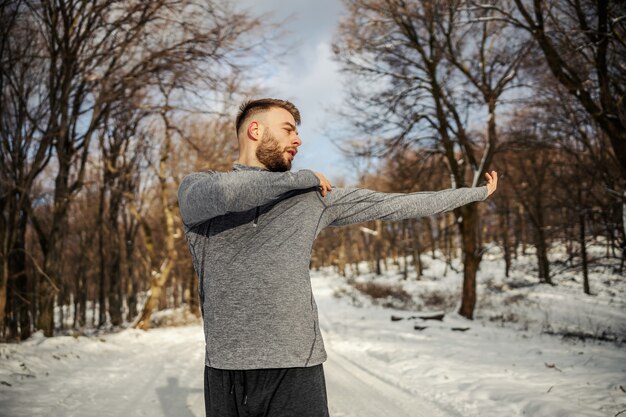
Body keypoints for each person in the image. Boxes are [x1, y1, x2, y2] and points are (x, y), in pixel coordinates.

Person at [177, 98, 498, 417]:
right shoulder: (199, 188)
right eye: (288, 129)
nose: (297, 139)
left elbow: (395, 204)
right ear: (255, 129)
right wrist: (300, 177)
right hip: (225, 370)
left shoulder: (313, 199)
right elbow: (231, 193)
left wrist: (474, 193)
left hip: (296, 365)